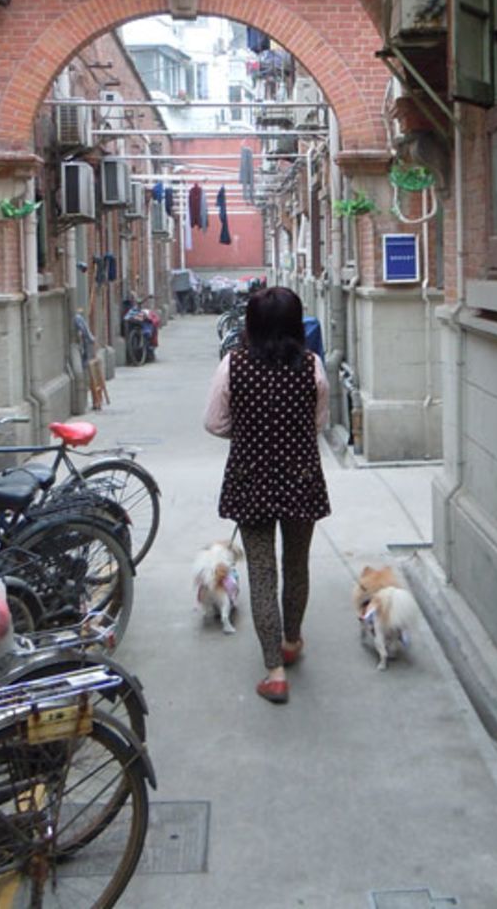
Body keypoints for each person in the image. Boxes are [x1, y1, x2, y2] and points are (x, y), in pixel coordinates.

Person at [203, 286, 330, 705]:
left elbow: (215, 424)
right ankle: (292, 641)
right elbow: (318, 423)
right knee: (296, 565)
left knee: (261, 572)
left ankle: (274, 671)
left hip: (251, 478)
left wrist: (250, 433)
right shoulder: (311, 367)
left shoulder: (232, 365)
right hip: (300, 477)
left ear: (252, 324)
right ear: (296, 324)